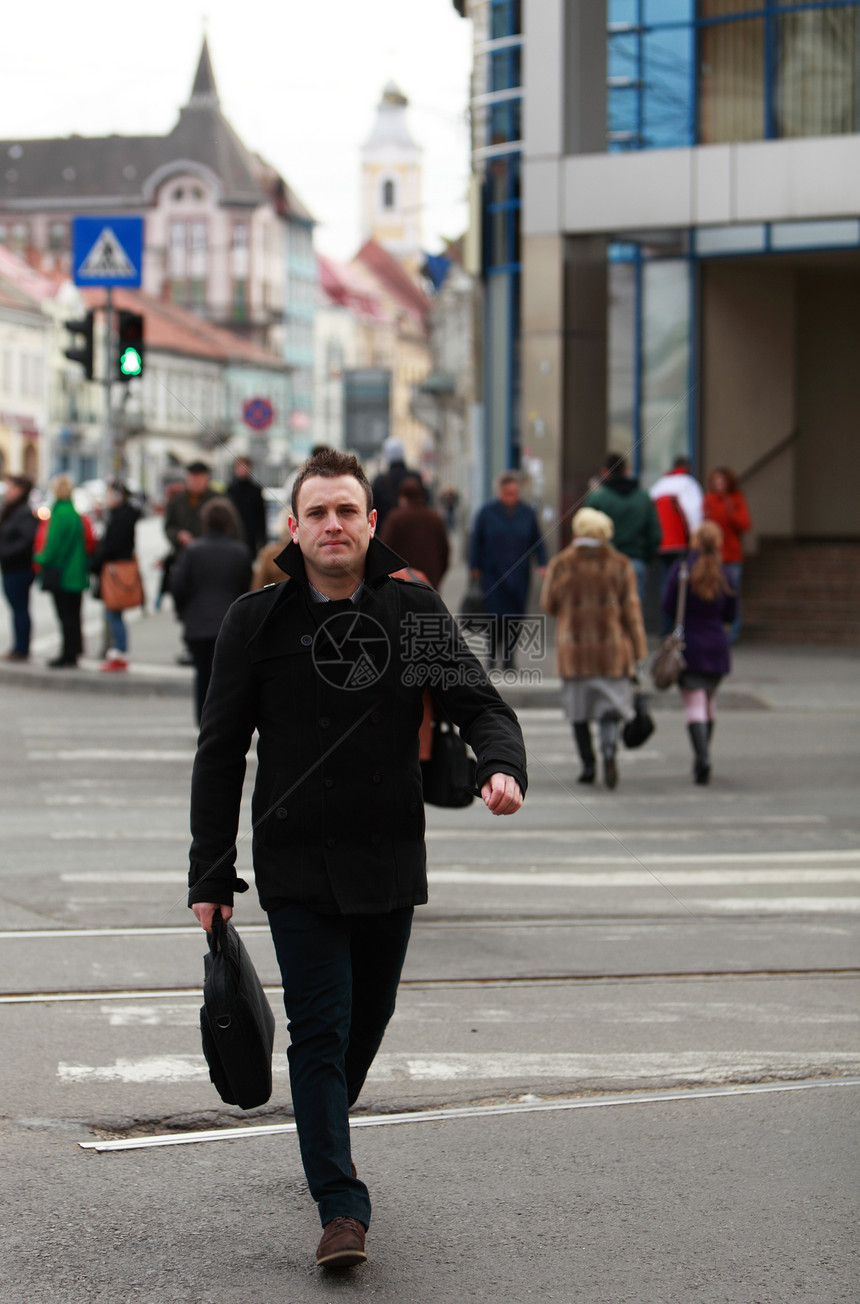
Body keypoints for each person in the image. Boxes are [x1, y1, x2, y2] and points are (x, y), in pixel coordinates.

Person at [186, 448, 526, 1270]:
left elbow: (478, 702)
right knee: (320, 1032)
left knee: (364, 1025)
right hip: (296, 862)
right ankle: (341, 1207)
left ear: (370, 524)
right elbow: (221, 750)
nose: (332, 525)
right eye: (318, 513)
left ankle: (323, 1125)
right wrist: (210, 871)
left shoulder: (413, 613)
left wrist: (499, 764)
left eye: (347, 511)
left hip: (388, 855)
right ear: (294, 529)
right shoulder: (254, 622)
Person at [541, 507, 647, 790]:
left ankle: (587, 765)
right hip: (612, 650)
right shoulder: (620, 563)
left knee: (579, 711)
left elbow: (548, 604)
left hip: (574, 650)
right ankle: (609, 752)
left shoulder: (562, 563)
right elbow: (632, 611)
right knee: (609, 709)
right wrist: (639, 651)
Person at [661, 520, 736, 785]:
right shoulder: (725, 573)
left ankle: (702, 757)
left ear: (694, 541)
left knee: (694, 704)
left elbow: (667, 605)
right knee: (709, 702)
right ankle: (703, 756)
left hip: (689, 646)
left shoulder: (682, 570)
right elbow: (731, 613)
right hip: (717, 646)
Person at [169, 498, 252, 722]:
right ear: (229, 523)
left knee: (202, 675)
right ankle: (222, 720)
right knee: (226, 678)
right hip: (229, 625)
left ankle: (202, 720)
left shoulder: (192, 551)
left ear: (205, 522)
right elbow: (246, 589)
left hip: (197, 624)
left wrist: (183, 612)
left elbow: (178, 585)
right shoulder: (240, 552)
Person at [469, 472, 548, 670]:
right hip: (492, 573)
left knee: (515, 617)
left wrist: (542, 563)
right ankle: (491, 657)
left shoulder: (527, 513)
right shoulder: (487, 512)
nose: (511, 496)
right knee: (494, 618)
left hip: (519, 575)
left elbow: (537, 541)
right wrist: (474, 567)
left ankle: (509, 658)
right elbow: (475, 542)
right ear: (500, 492)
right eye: (507, 493)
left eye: (515, 493)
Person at [586, 451, 661, 612]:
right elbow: (655, 534)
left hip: (603, 563)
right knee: (632, 614)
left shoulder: (598, 499)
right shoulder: (643, 498)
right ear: (626, 470)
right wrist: (646, 556)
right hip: (635, 562)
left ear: (604, 471)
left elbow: (585, 533)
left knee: (605, 613)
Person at [33, 475, 90, 669]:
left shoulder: (60, 514)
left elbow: (54, 546)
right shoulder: (73, 512)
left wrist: (38, 558)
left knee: (66, 617)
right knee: (74, 615)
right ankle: (73, 652)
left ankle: (67, 654)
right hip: (76, 572)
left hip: (63, 573)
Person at [164, 461, 217, 663]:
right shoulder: (177, 500)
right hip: (184, 560)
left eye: (199, 477)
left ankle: (208, 645)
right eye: (191, 478)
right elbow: (168, 527)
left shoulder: (216, 500)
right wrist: (178, 536)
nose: (195, 482)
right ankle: (190, 645)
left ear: (206, 479)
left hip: (209, 563)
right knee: (185, 604)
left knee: (207, 603)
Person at [90, 479, 140, 672]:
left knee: (113, 612)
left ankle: (119, 652)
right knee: (113, 612)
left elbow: (111, 546)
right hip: (117, 566)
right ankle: (116, 650)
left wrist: (95, 563)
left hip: (115, 569)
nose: (107, 498)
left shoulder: (121, 517)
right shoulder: (123, 514)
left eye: (109, 494)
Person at [649, 456, 704, 630]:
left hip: (661, 544)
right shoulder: (688, 484)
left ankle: (666, 628)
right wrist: (696, 536)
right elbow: (693, 512)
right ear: (687, 468)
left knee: (665, 584)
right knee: (681, 587)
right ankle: (678, 627)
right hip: (680, 544)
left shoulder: (659, 485)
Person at [704, 466, 751, 643]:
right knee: (712, 593)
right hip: (713, 556)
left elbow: (745, 524)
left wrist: (731, 510)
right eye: (716, 481)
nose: (719, 484)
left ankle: (733, 632)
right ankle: (715, 629)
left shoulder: (736, 499)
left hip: (732, 555)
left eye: (722, 481)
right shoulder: (709, 499)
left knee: (732, 593)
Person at [379, 476, 450, 588]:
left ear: (402, 497)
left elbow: (383, 550)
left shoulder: (394, 519)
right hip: (430, 580)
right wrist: (437, 576)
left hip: (402, 582)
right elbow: (445, 551)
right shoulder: (435, 518)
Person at [0, 475, 38, 661]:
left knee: (20, 608)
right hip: (11, 568)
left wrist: (5, 551)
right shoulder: (11, 510)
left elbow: (26, 540)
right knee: (17, 608)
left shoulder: (22, 512)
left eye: (11, 488)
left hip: (19, 568)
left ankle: (21, 648)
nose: (7, 491)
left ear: (20, 490)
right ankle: (19, 646)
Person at [370, 436, 426, 529]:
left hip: (387, 536)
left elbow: (374, 509)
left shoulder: (380, 481)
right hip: (414, 531)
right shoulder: (415, 477)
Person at [227, 456, 268, 559]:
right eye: (240, 466)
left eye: (246, 466)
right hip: (232, 536)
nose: (243, 469)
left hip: (250, 537)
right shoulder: (230, 490)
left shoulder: (256, 490)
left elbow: (261, 516)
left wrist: (262, 540)